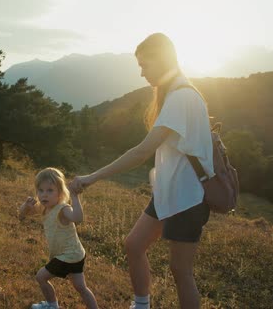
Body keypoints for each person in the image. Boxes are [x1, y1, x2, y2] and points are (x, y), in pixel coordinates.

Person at [69, 33, 214, 309]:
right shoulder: (175, 93)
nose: (141, 73)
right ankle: (141, 304)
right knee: (134, 245)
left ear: (162, 59)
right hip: (169, 192)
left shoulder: (181, 96)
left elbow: (141, 152)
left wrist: (92, 177)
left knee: (181, 271)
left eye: (145, 65)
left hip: (188, 197)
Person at [19, 167, 99, 309]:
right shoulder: (44, 207)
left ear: (60, 193)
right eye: (41, 190)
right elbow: (21, 216)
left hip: (66, 256)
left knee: (41, 277)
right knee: (81, 287)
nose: (44, 195)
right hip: (76, 254)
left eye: (50, 190)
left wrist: (75, 197)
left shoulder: (63, 209)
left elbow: (78, 218)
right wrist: (26, 206)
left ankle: (52, 305)